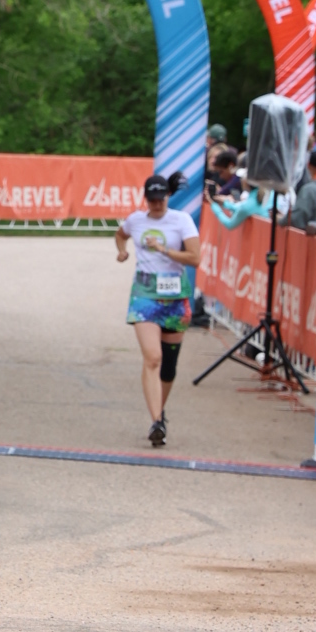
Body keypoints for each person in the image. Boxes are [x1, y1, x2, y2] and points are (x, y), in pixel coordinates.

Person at [114, 172, 201, 447]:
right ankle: (156, 421)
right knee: (153, 357)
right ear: (145, 198)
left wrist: (164, 250)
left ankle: (159, 415)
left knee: (169, 365)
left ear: (168, 196)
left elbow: (195, 258)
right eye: (151, 199)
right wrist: (122, 251)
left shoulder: (181, 220)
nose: (156, 204)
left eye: (160, 199)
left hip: (175, 297)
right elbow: (120, 235)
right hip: (145, 296)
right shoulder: (136, 220)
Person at [290, 146, 316, 235]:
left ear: (309, 165)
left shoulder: (309, 190)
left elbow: (296, 219)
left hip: (303, 241)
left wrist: (282, 219)